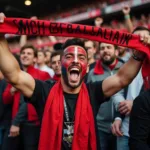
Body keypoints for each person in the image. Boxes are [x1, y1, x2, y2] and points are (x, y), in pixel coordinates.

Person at [0, 13, 149, 150]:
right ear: (60, 63)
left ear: (86, 68)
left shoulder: (94, 91)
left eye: (81, 58)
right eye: (69, 57)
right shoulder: (43, 90)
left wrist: (138, 54)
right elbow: (14, 75)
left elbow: (122, 78)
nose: (76, 61)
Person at [111, 26, 150, 150]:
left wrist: (136, 104)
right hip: (124, 129)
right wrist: (118, 115)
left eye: (145, 38)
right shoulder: (122, 65)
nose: (142, 42)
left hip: (145, 131)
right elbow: (116, 91)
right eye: (137, 39)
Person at [87, 42, 125, 150]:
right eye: (102, 48)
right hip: (100, 127)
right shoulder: (92, 73)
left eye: (109, 47)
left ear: (116, 51)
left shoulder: (125, 69)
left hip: (122, 124)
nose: (105, 50)